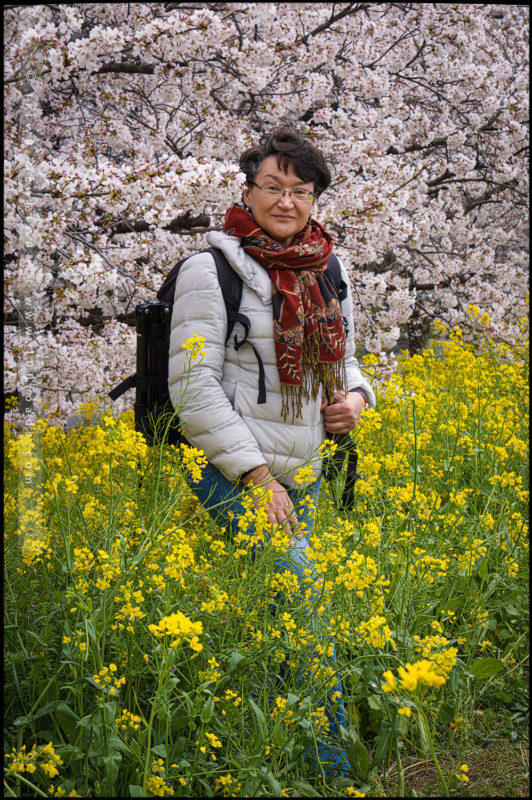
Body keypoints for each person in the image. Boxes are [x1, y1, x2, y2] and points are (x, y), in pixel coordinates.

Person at [168, 126, 375, 779]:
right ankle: (334, 770)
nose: (288, 201)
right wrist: (256, 477)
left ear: (316, 198)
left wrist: (355, 401)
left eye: (302, 190)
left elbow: (346, 359)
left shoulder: (327, 264)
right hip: (237, 472)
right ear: (248, 190)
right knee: (306, 602)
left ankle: (263, 758)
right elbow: (192, 387)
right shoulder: (211, 270)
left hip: (303, 472)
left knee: (273, 618)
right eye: (274, 187)